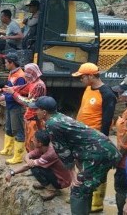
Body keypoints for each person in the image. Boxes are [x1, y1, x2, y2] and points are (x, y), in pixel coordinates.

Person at [30, 96, 121, 215]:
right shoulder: (59, 117)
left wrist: (73, 174)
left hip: (99, 153)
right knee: (85, 187)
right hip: (103, 150)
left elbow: (63, 152)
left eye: (37, 109)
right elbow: (72, 147)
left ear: (44, 112)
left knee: (78, 189)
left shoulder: (52, 124)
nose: (35, 111)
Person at [72, 62, 117, 212]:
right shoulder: (88, 88)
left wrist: (102, 140)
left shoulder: (107, 94)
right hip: (82, 136)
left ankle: (97, 203)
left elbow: (107, 120)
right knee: (83, 165)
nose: (80, 80)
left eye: (82, 77)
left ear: (91, 76)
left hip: (95, 139)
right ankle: (83, 194)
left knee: (98, 169)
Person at [5, 130, 72, 201]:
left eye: (34, 139)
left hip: (61, 181)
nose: (32, 140)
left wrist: (12, 173)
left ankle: (52, 189)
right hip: (55, 173)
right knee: (33, 162)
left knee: (35, 168)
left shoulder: (50, 154)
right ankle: (46, 183)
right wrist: (28, 161)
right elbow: (27, 156)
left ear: (40, 143)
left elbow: (28, 166)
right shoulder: (43, 148)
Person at [0, 53, 26, 164]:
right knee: (9, 128)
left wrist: (0, 99)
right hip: (10, 106)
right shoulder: (12, 73)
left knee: (18, 130)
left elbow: (16, 94)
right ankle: (7, 149)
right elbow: (9, 89)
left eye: (6, 62)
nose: (4, 64)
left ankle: (18, 157)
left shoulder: (20, 77)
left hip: (16, 107)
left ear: (12, 63)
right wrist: (0, 92)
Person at [3, 63, 47, 152]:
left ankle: (33, 160)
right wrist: (2, 89)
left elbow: (30, 103)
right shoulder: (33, 83)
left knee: (34, 141)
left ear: (31, 73)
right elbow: (20, 88)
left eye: (27, 73)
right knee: (29, 140)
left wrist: (13, 93)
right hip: (30, 117)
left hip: (36, 119)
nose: (25, 75)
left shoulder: (38, 86)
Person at [112, 77, 127, 215]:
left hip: (124, 163)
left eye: (121, 92)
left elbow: (125, 143)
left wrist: (117, 158)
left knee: (121, 188)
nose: (118, 95)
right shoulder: (125, 112)